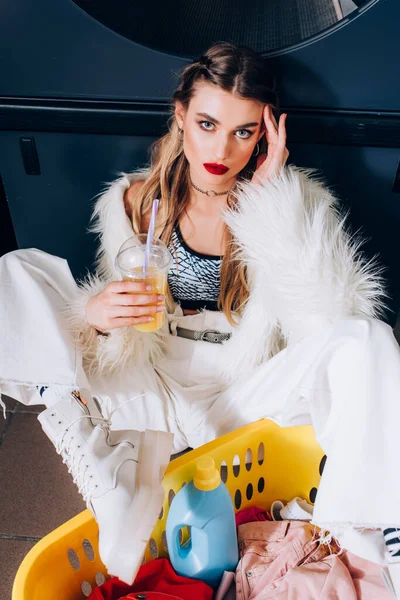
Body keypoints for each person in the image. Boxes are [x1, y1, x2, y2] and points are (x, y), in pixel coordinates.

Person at [1, 42, 399, 586]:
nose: (222, 149)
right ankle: (112, 477)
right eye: (208, 124)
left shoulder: (291, 199)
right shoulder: (135, 202)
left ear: (263, 136)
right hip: (154, 381)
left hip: (239, 388)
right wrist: (95, 314)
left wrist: (272, 204)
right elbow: (109, 343)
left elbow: (325, 322)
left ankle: (373, 532)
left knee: (369, 340)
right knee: (15, 276)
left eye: (244, 131)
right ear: (181, 116)